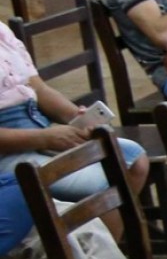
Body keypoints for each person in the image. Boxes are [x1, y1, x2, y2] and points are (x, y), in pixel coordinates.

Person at [0, 21, 149, 225]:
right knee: (104, 189)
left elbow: (40, 89)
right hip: (10, 150)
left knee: (134, 158)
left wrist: (75, 117)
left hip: (38, 128)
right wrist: (44, 139)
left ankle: (101, 243)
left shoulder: (2, 31)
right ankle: (84, 248)